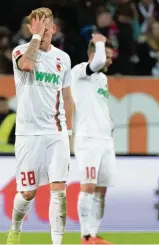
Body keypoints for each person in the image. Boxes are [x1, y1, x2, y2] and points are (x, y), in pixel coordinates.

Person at [6, 7, 73, 245]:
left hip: (55, 132)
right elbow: (26, 66)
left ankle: (57, 243)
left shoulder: (63, 59)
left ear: (53, 30)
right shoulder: (20, 51)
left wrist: (69, 133)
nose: (43, 33)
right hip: (28, 134)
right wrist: (34, 37)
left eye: (46, 29)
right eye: (37, 28)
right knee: (28, 193)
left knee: (59, 189)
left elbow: (67, 98)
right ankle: (15, 228)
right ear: (32, 29)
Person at [71, 33, 115, 244]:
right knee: (88, 186)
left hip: (105, 139)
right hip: (88, 138)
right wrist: (100, 41)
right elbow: (96, 61)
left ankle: (94, 235)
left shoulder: (103, 79)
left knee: (101, 190)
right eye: (107, 56)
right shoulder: (80, 72)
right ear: (93, 54)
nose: (109, 60)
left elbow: (100, 106)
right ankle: (85, 235)